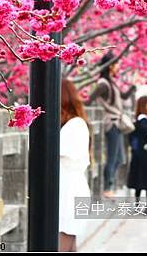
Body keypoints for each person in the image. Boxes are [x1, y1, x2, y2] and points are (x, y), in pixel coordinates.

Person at [85, 52, 136, 197]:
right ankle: (107, 187)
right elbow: (89, 100)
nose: (118, 67)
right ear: (110, 66)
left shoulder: (110, 82)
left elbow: (123, 97)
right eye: (116, 64)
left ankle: (109, 185)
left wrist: (133, 87)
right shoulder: (103, 84)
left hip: (117, 123)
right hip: (111, 124)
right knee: (113, 156)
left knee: (119, 157)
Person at [59, 80, 92, 252]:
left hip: (70, 193)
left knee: (64, 242)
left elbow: (53, 150)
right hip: (68, 191)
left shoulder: (75, 125)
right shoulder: (72, 125)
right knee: (69, 244)